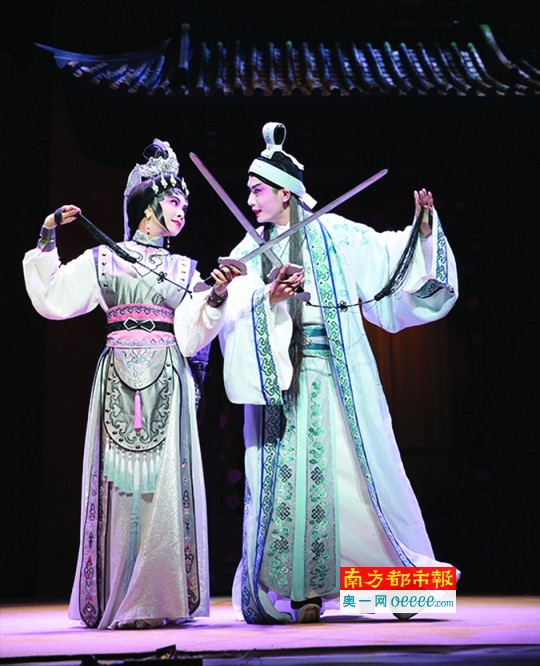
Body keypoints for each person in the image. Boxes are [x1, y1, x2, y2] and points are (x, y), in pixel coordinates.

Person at [218, 123, 459, 624]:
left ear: (286, 193)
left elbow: (387, 256)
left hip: (333, 380)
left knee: (351, 487)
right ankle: (300, 591)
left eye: (258, 190)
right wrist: (245, 295)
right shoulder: (247, 251)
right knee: (289, 491)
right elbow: (229, 313)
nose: (250, 198)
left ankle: (390, 591)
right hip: (280, 386)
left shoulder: (334, 235)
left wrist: (422, 233)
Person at [23, 140, 238, 629]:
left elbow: (191, 334)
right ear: (147, 206)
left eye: (185, 204)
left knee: (165, 486)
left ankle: (159, 597)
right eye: (175, 201)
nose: (182, 211)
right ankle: (120, 594)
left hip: (167, 377)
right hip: (117, 377)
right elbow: (54, 295)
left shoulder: (185, 269)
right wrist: (48, 233)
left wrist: (216, 296)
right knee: (117, 486)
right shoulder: (105, 259)